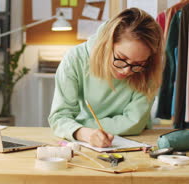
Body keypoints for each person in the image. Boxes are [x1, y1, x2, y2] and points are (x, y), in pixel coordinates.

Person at [48, 8, 164, 147]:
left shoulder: (148, 69)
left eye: (138, 64)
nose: (127, 70)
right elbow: (59, 117)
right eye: (121, 58)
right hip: (84, 143)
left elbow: (134, 123)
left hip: (138, 142)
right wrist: (85, 133)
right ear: (107, 44)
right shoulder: (75, 59)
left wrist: (76, 126)